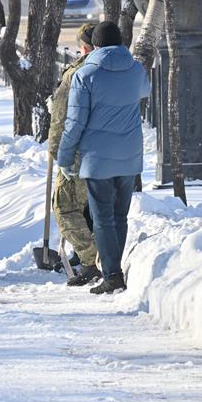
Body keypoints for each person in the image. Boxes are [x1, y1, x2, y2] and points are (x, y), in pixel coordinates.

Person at [56, 20, 149, 295]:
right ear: (121, 43)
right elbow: (145, 91)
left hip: (97, 158)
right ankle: (113, 269)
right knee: (120, 216)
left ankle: (112, 275)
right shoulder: (136, 69)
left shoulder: (86, 75)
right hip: (130, 154)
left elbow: (74, 123)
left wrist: (65, 157)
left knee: (102, 218)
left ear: (95, 45)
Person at [48, 23, 101, 287]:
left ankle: (92, 261)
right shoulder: (109, 69)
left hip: (76, 150)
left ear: (84, 45)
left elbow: (61, 117)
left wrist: (56, 151)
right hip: (103, 150)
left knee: (65, 207)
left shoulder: (78, 73)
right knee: (88, 208)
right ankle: (86, 256)